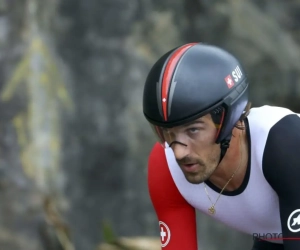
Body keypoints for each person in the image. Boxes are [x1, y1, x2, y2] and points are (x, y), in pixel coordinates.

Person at [142, 42, 300, 250]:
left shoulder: (284, 141)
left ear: (228, 119)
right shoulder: (165, 163)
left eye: (193, 130)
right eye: (167, 133)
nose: (178, 152)